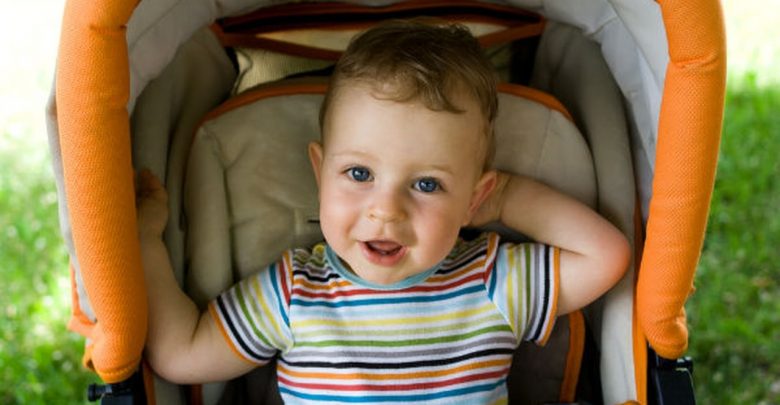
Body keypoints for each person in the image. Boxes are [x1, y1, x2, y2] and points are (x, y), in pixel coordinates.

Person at [136, 19, 630, 404]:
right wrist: (142, 242)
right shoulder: (292, 294)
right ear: (320, 172)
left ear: (473, 198)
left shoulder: (490, 281)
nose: (386, 211)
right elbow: (181, 353)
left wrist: (506, 198)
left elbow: (606, 256)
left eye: (427, 184)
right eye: (359, 174)